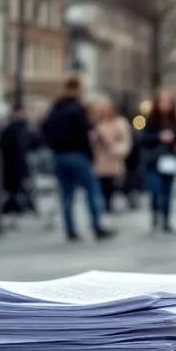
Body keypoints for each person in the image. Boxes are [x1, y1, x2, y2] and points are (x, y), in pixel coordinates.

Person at [41, 77, 114, 242]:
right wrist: (90, 154)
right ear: (77, 89)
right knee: (92, 190)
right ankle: (96, 226)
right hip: (78, 154)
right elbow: (84, 132)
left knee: (67, 194)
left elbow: (44, 129)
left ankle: (70, 230)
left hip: (59, 155)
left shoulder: (55, 109)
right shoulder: (77, 109)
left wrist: (54, 146)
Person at [141, 89, 176, 233]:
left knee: (167, 192)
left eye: (168, 101)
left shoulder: (175, 120)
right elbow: (143, 139)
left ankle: (166, 220)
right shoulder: (151, 120)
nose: (166, 104)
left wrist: (175, 136)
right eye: (163, 101)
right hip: (154, 161)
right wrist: (159, 137)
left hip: (169, 161)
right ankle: (155, 213)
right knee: (155, 189)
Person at [91, 101, 132, 214]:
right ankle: (106, 203)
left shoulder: (120, 123)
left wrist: (117, 150)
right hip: (101, 158)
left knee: (116, 182)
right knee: (103, 182)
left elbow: (125, 140)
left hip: (114, 157)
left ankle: (121, 199)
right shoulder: (98, 124)